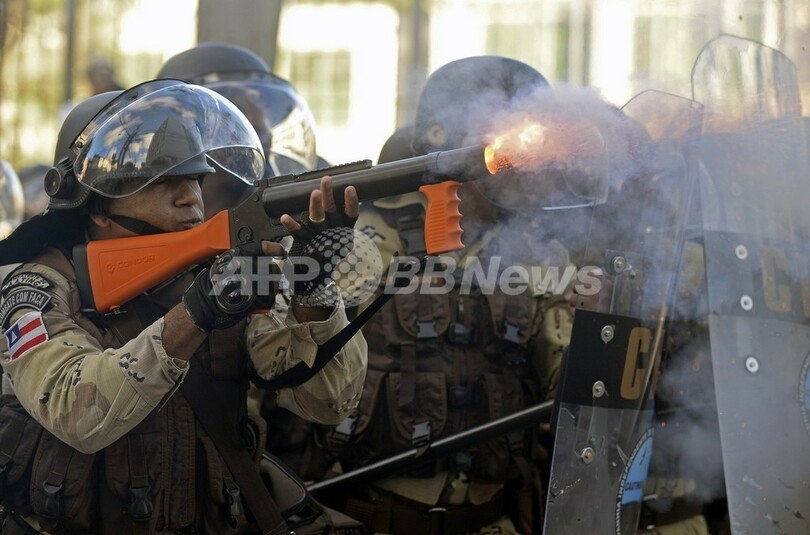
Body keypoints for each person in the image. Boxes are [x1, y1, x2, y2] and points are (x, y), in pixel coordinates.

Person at [0, 79, 367, 534]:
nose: (189, 196)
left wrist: (314, 285)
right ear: (98, 206)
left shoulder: (221, 273)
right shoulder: (41, 287)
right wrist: (197, 312)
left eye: (194, 178)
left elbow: (329, 402)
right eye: (162, 181)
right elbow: (76, 413)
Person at [306, 56, 584, 535]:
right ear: (458, 147)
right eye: (517, 145)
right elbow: (299, 369)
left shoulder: (543, 252)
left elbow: (564, 386)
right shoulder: (359, 235)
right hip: (371, 515)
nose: (530, 166)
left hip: (495, 519)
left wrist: (602, 332)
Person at [157, 43, 325, 219]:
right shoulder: (149, 215)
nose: (256, 121)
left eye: (260, 106)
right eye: (237, 108)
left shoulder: (293, 204)